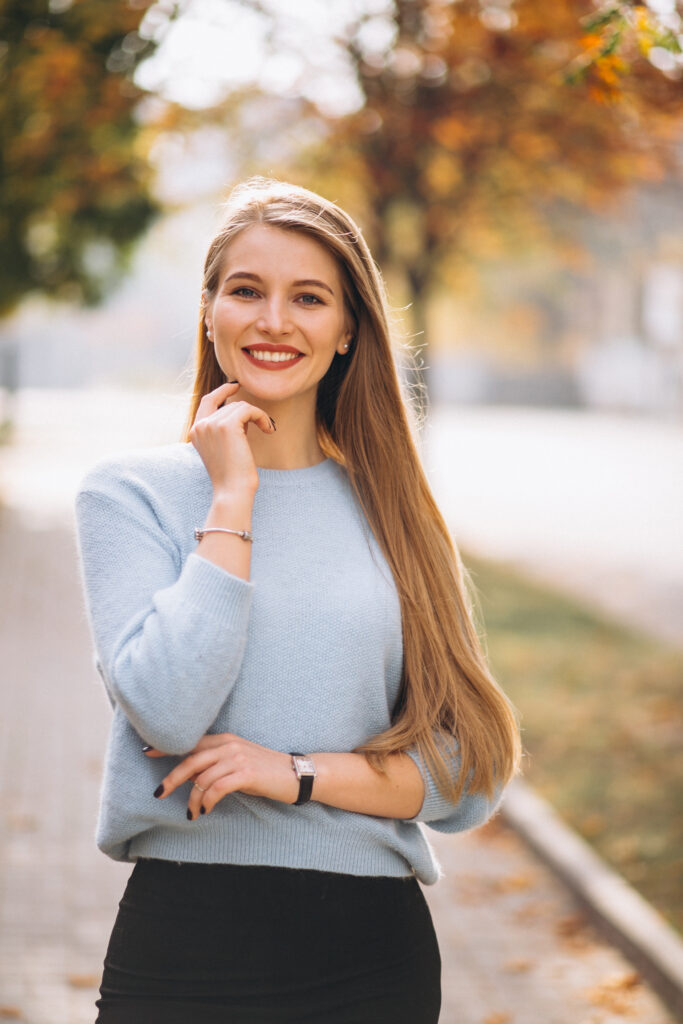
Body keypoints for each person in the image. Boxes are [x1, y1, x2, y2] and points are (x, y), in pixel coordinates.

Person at [75, 177, 521, 1024]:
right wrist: (231, 502)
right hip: (186, 944)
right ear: (208, 309)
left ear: (347, 327)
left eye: (308, 298)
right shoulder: (127, 495)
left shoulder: (396, 513)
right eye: (246, 291)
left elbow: (468, 769)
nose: (273, 321)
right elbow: (167, 713)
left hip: (369, 956)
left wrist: (292, 774)